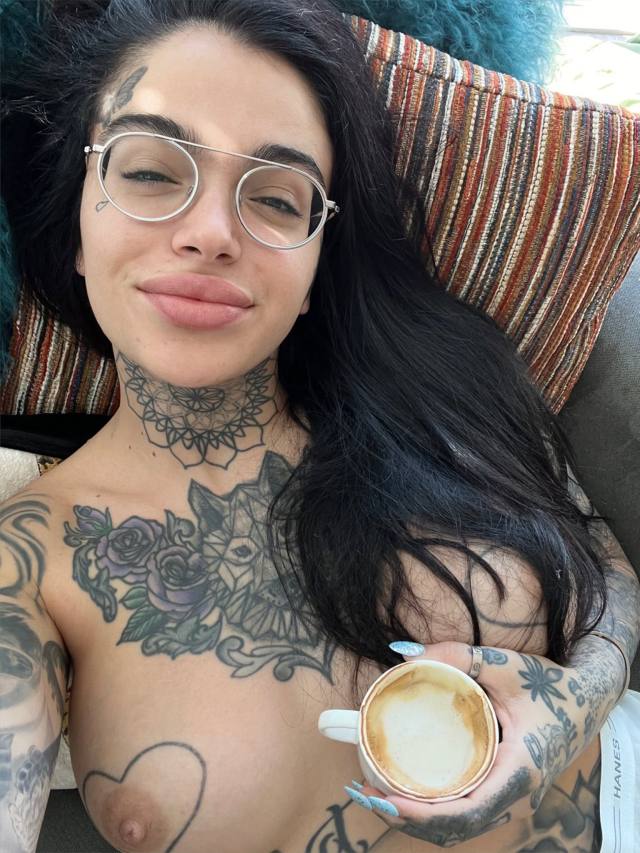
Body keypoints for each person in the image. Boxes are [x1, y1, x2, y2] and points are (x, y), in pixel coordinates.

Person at [0, 1, 638, 851]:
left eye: (274, 197)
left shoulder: (439, 386)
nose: (210, 233)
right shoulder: (30, 560)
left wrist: (583, 695)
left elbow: (599, 557)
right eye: (150, 171)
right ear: (77, 226)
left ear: (312, 265)